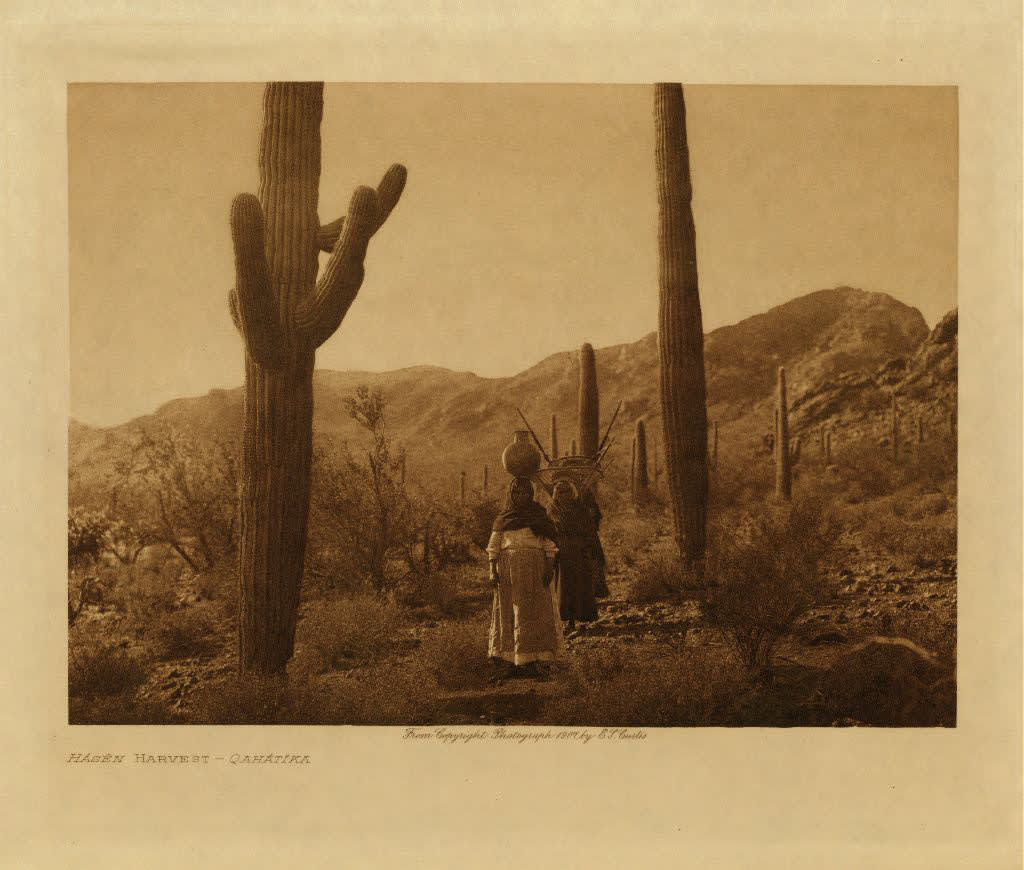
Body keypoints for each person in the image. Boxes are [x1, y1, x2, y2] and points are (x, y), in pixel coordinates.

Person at [486, 477, 561, 680]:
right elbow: (494, 546)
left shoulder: (539, 516)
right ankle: (509, 660)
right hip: (508, 571)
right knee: (509, 612)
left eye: (525, 493)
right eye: (517, 493)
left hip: (534, 570)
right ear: (511, 495)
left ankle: (534, 660)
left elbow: (548, 544)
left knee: (533, 611)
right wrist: (493, 570)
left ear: (531, 494)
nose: (521, 497)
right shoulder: (503, 519)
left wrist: (549, 567)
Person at [547, 480, 598, 630]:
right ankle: (567, 620)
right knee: (563, 586)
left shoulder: (580, 509)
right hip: (561, 553)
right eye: (561, 492)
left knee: (580, 585)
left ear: (572, 492)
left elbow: (589, 529)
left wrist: (587, 546)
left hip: (579, 552)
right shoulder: (552, 509)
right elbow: (548, 531)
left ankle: (579, 617)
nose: (564, 495)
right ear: (556, 494)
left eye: (567, 491)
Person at [581, 487, 610, 598]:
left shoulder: (587, 494)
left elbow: (595, 519)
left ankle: (595, 590)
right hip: (579, 538)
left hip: (590, 537)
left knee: (593, 561)